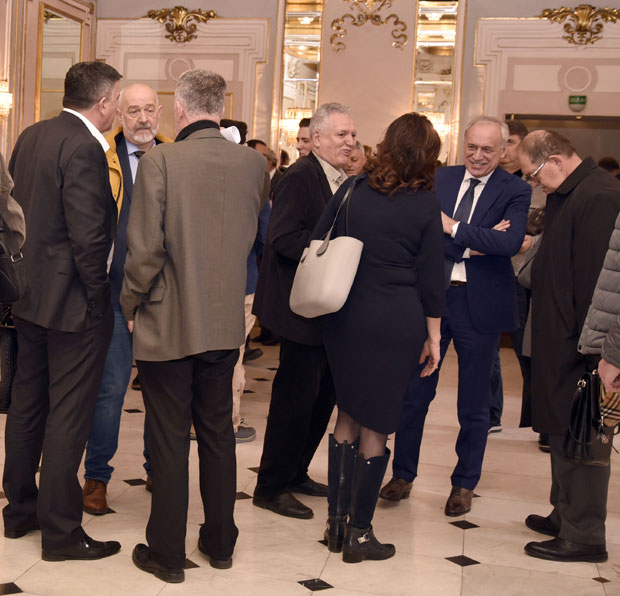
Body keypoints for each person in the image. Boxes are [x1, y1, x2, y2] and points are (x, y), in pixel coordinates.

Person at [121, 69, 269, 583]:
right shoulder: (254, 164)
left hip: (167, 319)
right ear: (220, 108)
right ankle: (220, 542)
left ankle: (166, 554)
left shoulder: (160, 160)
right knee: (217, 433)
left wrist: (129, 303)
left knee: (167, 437)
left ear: (180, 109)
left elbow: (145, 250)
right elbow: (249, 235)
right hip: (224, 319)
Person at [380, 116, 531, 516]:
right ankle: (402, 475)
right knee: (414, 394)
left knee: (474, 403)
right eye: (472, 147)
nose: (477, 156)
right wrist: (476, 240)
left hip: (480, 306)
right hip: (431, 300)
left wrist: (453, 228)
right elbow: (419, 233)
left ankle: (464, 484)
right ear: (462, 144)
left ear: (504, 151)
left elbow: (510, 243)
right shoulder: (439, 178)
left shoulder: (515, 189)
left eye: (488, 149)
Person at [2, 61, 122, 561]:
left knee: (28, 406)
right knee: (68, 418)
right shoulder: (86, 147)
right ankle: (61, 533)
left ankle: (19, 513)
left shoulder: (32, 134)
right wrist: (99, 298)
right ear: (103, 102)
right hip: (73, 305)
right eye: (117, 100)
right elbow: (88, 237)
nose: (116, 109)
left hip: (29, 297)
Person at [313, 112, 444, 563]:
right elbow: (432, 278)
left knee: (347, 415)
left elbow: (319, 238)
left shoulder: (353, 189)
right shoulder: (425, 203)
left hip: (346, 315)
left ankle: (335, 525)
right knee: (378, 423)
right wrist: (434, 336)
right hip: (396, 321)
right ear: (426, 155)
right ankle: (360, 534)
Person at [519, 130, 620, 563]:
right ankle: (564, 515)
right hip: (561, 340)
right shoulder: (569, 193)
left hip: (584, 347)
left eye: (533, 174)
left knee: (585, 437)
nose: (533, 183)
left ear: (556, 160)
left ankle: (584, 535)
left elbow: (602, 285)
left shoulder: (599, 196)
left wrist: (598, 352)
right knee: (562, 429)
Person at [252, 102, 357, 519]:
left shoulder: (340, 178)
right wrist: (337, 256)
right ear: (316, 139)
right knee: (294, 402)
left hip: (326, 310)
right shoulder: (300, 176)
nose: (350, 142)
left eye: (353, 135)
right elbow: (282, 239)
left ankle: (296, 473)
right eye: (341, 135)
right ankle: (271, 486)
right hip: (299, 310)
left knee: (321, 399)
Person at [82, 83, 171, 514]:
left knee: (162, 393)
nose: (142, 118)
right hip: (115, 296)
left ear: (160, 111)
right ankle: (96, 477)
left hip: (162, 299)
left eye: (149, 109)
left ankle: (158, 469)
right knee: (110, 391)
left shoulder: (173, 156)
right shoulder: (102, 157)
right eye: (133, 110)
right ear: (119, 114)